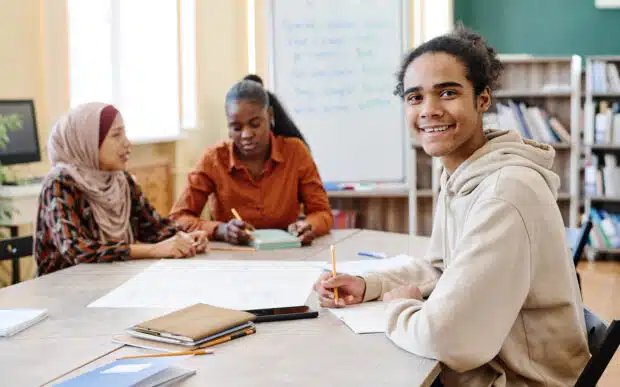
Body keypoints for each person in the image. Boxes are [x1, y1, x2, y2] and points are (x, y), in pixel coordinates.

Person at [314, 25, 590, 386]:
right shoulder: (462, 172)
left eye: (447, 93)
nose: (429, 110)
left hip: (522, 379)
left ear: (483, 99)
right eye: (415, 97)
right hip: (493, 364)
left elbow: (448, 339)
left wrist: (399, 307)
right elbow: (442, 269)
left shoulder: (504, 192)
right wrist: (370, 284)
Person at [34, 102, 208, 276]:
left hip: (113, 282)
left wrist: (186, 237)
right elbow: (77, 250)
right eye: (116, 135)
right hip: (63, 290)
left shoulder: (121, 180)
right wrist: (153, 250)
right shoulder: (60, 183)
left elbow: (154, 228)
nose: (127, 143)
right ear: (88, 142)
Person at [169, 75, 333, 246]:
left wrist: (308, 225)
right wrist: (220, 230)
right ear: (228, 127)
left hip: (287, 251)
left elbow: (322, 212)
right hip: (234, 256)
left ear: (269, 116)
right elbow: (178, 218)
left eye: (255, 124)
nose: (246, 135)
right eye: (237, 128)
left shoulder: (295, 152)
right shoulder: (213, 159)